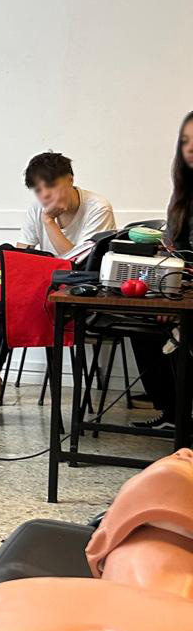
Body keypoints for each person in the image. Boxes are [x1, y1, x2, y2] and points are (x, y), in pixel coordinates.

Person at [0, 151, 117, 368]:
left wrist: (49, 221)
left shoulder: (97, 207)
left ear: (70, 179)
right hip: (46, 290)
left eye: (51, 185)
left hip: (82, 291)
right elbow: (18, 260)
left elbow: (77, 264)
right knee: (5, 299)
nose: (45, 195)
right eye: (38, 190)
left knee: (13, 300)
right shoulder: (36, 210)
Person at [129, 110, 193, 431]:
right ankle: (171, 411)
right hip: (181, 288)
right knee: (139, 324)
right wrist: (168, 294)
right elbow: (172, 250)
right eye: (185, 141)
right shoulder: (181, 197)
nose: (190, 148)